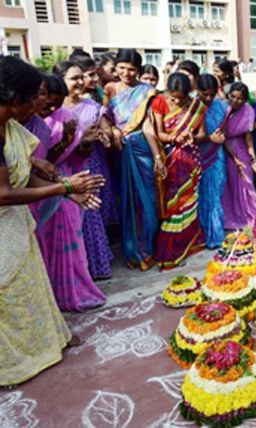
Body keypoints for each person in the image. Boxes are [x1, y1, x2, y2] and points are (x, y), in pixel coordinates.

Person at [0, 56, 104, 386]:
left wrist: (65, 193)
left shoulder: (10, 126)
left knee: (31, 288)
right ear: (15, 99)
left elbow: (21, 177)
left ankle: (41, 346)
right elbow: (2, 193)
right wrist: (64, 186)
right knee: (10, 299)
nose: (41, 104)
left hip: (15, 226)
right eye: (35, 97)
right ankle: (14, 362)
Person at [31, 73, 107, 311]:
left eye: (56, 102)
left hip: (63, 181)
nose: (50, 107)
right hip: (35, 189)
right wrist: (62, 145)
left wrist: (84, 143)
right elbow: (37, 163)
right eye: (46, 100)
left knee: (69, 240)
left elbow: (75, 159)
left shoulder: (67, 118)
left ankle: (72, 291)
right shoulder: (25, 122)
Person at [53, 61, 116, 280]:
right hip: (58, 171)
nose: (80, 82)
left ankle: (95, 266)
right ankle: (71, 273)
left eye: (82, 77)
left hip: (88, 165)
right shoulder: (52, 109)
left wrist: (105, 136)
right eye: (73, 78)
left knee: (89, 215)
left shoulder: (91, 106)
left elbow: (104, 133)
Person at [105, 49, 159, 270]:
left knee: (146, 199)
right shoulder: (109, 89)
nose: (126, 73)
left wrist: (157, 155)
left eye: (132, 69)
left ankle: (147, 248)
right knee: (126, 199)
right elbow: (103, 118)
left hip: (142, 149)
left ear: (138, 70)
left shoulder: (147, 91)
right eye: (122, 68)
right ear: (116, 68)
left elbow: (148, 124)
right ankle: (131, 248)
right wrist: (114, 131)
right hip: (120, 150)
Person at [150, 73, 207, 269]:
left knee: (189, 202)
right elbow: (159, 134)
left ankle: (189, 242)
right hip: (170, 157)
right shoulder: (159, 102)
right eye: (173, 97)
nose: (177, 101)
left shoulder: (197, 106)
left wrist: (192, 137)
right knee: (173, 204)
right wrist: (176, 138)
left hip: (190, 159)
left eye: (182, 98)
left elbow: (202, 134)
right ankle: (170, 248)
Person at [222, 82, 256, 229]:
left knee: (246, 182)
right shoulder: (224, 109)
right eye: (233, 97)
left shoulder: (248, 111)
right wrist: (234, 158)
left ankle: (250, 215)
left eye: (239, 98)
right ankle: (233, 217)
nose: (235, 101)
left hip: (241, 149)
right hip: (226, 151)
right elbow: (223, 136)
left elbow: (248, 138)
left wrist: (253, 159)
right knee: (230, 185)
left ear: (245, 100)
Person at [199, 74, 229, 249]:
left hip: (216, 155)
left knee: (215, 193)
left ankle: (215, 234)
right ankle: (201, 233)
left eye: (212, 94)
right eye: (205, 94)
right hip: (198, 156)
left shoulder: (222, 107)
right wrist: (208, 138)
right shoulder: (192, 107)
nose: (209, 98)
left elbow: (224, 131)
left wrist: (220, 137)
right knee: (201, 195)